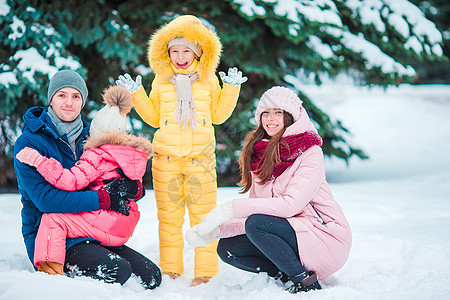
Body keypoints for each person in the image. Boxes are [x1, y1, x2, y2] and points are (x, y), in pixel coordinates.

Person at [115, 15, 247, 286]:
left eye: (186, 50)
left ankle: (205, 273)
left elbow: (219, 115)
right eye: (174, 50)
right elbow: (152, 117)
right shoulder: (161, 81)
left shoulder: (209, 80)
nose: (180, 56)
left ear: (198, 51)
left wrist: (231, 88)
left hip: (200, 161)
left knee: (204, 218)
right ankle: (170, 268)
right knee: (170, 219)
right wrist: (137, 93)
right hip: (167, 160)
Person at [186, 86, 352, 293]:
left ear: (290, 116)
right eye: (266, 113)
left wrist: (229, 209)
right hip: (294, 236)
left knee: (258, 224)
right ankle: (284, 277)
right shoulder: (260, 154)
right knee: (227, 248)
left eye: (278, 112)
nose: (270, 119)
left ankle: (305, 282)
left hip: (325, 237)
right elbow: (256, 212)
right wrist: (217, 230)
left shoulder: (309, 151)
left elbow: (289, 206)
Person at [14, 70, 161, 289]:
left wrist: (131, 188)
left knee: (151, 276)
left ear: (82, 101)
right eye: (61, 95)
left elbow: (111, 173)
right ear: (51, 98)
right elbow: (45, 201)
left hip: (90, 224)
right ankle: (61, 282)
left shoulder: (91, 135)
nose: (68, 102)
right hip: (51, 235)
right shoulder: (29, 143)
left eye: (76, 96)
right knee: (118, 270)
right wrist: (102, 199)